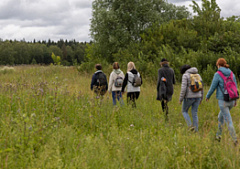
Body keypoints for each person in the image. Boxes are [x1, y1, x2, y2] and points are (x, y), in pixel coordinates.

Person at [206, 58, 238, 145]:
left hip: (223, 101)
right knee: (220, 117)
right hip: (231, 100)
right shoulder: (231, 73)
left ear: (218, 65)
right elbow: (235, 86)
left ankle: (235, 140)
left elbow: (213, 87)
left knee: (228, 121)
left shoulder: (217, 74)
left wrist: (207, 96)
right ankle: (218, 136)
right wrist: (235, 100)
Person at [179, 65, 203, 132]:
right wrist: (201, 97)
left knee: (184, 111)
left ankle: (190, 126)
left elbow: (183, 88)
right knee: (194, 113)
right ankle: (196, 130)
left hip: (189, 97)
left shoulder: (185, 75)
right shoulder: (198, 75)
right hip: (198, 96)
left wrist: (180, 99)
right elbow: (201, 87)